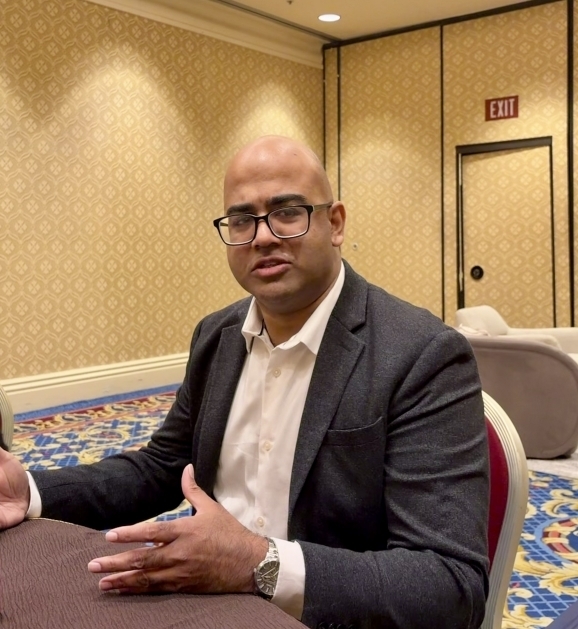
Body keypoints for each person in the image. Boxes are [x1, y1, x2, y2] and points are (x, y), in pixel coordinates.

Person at [0, 136, 489, 629]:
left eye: (287, 212)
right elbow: (162, 468)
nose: (262, 237)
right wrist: (31, 491)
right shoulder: (217, 336)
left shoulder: (422, 355)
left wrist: (260, 565)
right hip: (208, 606)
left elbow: (449, 584)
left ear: (336, 223)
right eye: (241, 220)